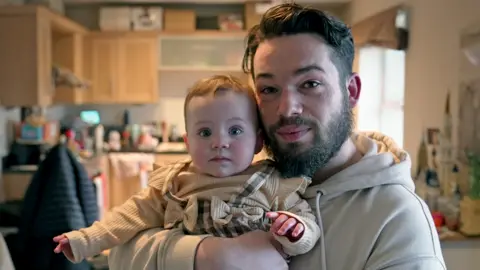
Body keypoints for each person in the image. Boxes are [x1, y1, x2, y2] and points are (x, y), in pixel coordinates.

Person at [108, 3, 446, 270]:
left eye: (310, 84)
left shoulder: (396, 218)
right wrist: (208, 255)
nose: (287, 108)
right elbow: (118, 255)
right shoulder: (243, 171)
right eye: (269, 88)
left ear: (352, 91)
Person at [52, 75, 321, 263]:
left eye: (235, 130)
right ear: (188, 143)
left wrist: (296, 230)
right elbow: (126, 217)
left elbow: (307, 223)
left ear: (258, 141)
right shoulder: (174, 183)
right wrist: (84, 239)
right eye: (205, 132)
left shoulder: (272, 182)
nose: (219, 143)